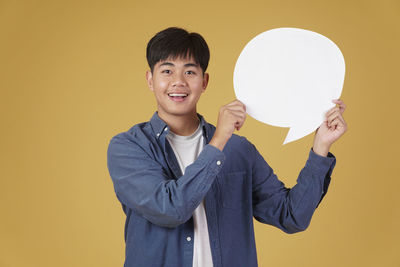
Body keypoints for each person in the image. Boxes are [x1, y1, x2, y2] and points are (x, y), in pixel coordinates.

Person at [107, 27, 347, 267]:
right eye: (167, 71)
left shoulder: (240, 150)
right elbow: (170, 209)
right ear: (150, 80)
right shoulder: (129, 147)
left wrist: (321, 146)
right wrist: (219, 141)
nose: (178, 82)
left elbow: (292, 216)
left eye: (190, 71)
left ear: (204, 81)